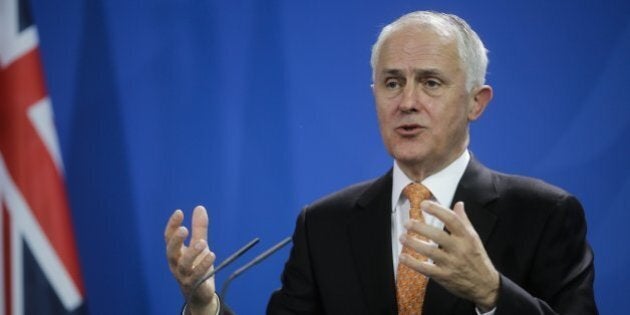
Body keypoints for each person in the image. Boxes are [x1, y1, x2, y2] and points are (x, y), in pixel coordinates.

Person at [164, 11, 598, 315]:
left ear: (476, 102)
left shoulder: (544, 215)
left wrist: (491, 293)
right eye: (392, 83)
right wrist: (205, 306)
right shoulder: (324, 225)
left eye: (430, 82)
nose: (407, 102)